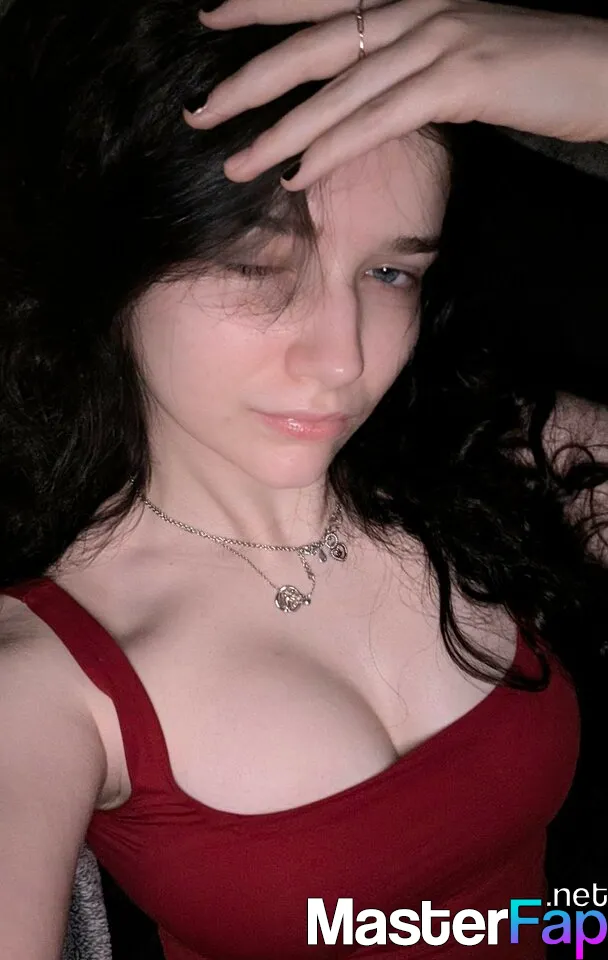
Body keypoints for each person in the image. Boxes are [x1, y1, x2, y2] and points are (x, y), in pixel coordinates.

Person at [1, 1, 607, 958]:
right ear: (113, 267)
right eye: (255, 266)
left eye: (390, 274)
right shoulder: (42, 682)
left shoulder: (492, 454)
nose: (342, 359)